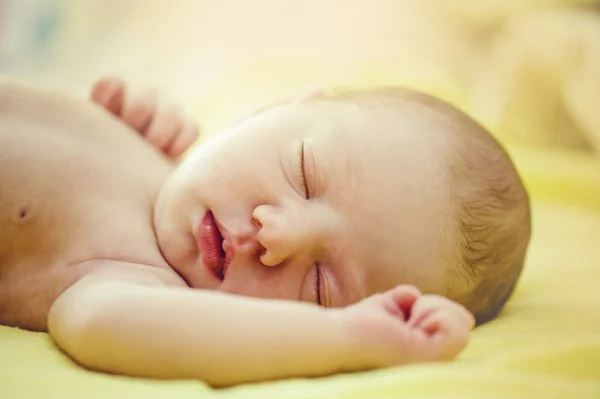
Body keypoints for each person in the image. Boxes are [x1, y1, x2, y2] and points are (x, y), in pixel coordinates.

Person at [0, 74, 528, 386]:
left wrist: (350, 339)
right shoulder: (161, 150)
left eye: (319, 286)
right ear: (274, 110)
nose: (278, 236)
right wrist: (114, 118)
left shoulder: (142, 278)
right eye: (303, 172)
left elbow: (101, 325)